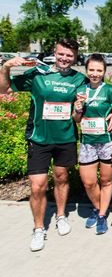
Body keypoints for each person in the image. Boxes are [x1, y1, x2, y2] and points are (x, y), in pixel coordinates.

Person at [0, 39, 86, 251]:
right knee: (37, 186)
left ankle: (61, 215)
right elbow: (4, 89)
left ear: (75, 57)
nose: (65, 58)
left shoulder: (79, 79)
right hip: (39, 138)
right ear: (54, 53)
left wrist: (82, 110)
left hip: (65, 138)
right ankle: (38, 228)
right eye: (61, 54)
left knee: (61, 178)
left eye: (70, 55)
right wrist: (6, 67)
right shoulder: (38, 73)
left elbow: (80, 115)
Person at [72, 53, 112, 235]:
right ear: (86, 70)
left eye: (99, 70)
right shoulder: (81, 90)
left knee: (106, 181)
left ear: (104, 72)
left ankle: (101, 215)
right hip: (87, 143)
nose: (95, 73)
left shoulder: (110, 90)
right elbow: (76, 119)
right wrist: (77, 109)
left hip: (107, 142)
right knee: (88, 182)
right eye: (91, 70)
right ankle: (99, 206)